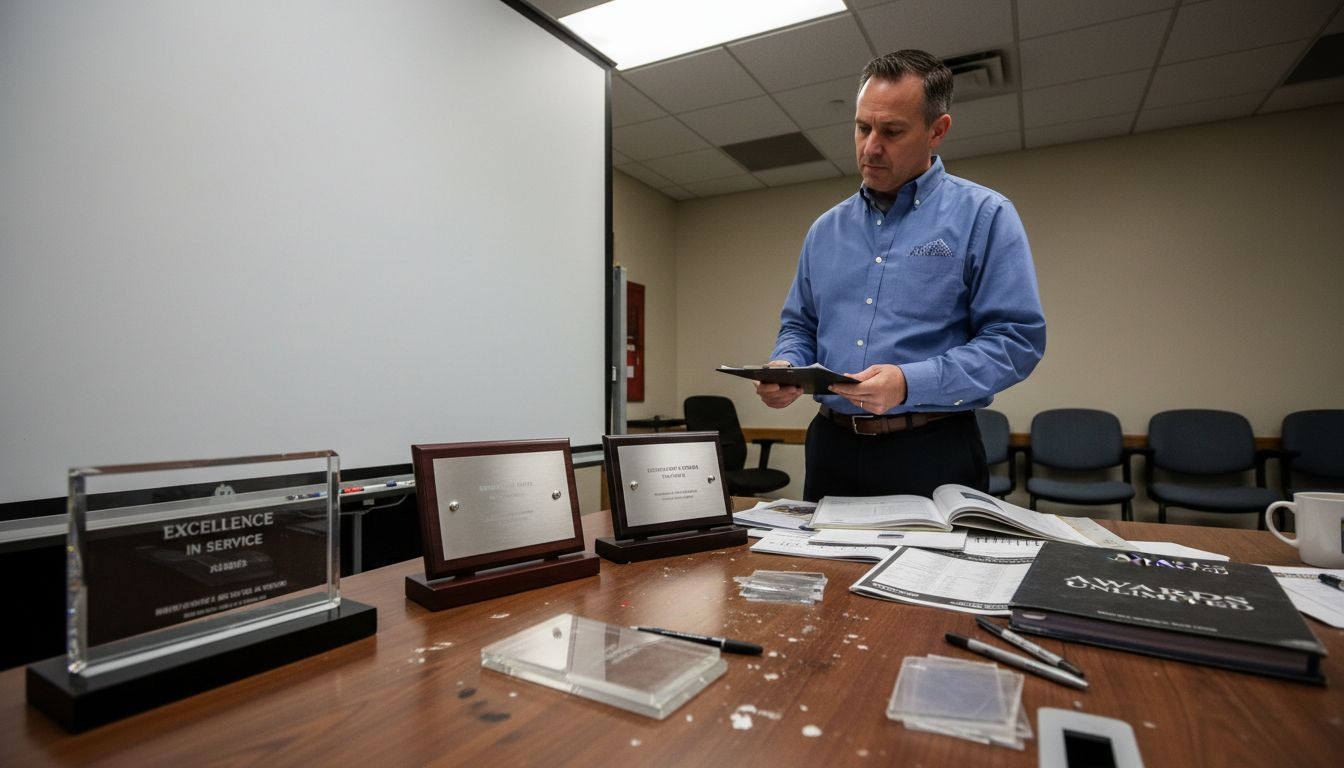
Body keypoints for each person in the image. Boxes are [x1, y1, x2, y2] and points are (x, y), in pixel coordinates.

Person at [756, 49, 1046, 502]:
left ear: (937, 131)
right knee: (821, 574)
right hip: (830, 446)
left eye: (891, 131)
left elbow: (1016, 341)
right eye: (862, 127)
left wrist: (910, 383)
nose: (871, 147)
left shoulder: (985, 216)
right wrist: (786, 366)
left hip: (932, 450)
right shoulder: (824, 230)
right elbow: (800, 325)